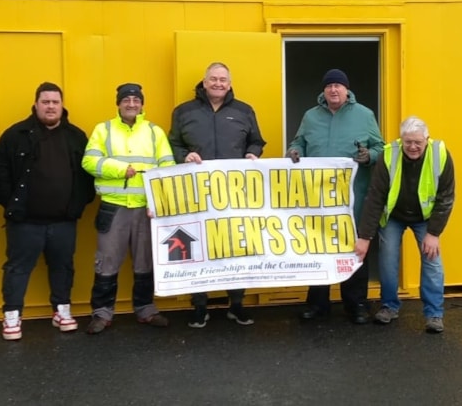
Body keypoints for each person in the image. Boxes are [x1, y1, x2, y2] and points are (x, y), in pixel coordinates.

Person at [0, 82, 96, 341]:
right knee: (17, 269)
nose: (51, 106)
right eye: (45, 102)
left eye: (55, 102)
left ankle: (62, 310)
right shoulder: (15, 135)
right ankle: (12, 315)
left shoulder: (76, 136)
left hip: (63, 221)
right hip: (25, 221)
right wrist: (12, 204)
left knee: (63, 266)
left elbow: (87, 176)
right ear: (36, 104)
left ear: (62, 105)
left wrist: (77, 206)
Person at [169, 62, 266, 328]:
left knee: (235, 247)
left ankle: (237, 304)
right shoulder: (183, 112)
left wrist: (252, 153)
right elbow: (173, 144)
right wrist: (182, 156)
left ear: (230, 83)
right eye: (213, 79)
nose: (218, 84)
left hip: (234, 193)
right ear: (204, 81)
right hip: (195, 192)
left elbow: (257, 141)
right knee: (197, 247)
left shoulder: (244, 111)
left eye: (223, 79)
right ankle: (199, 305)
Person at [286, 68, 384, 324]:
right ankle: (318, 305)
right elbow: (298, 143)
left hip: (353, 198)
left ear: (346, 90)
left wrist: (369, 157)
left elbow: (380, 148)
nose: (333, 90)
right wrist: (294, 151)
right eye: (329, 86)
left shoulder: (364, 115)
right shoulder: (310, 116)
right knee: (317, 249)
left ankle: (356, 305)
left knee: (355, 250)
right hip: (317, 200)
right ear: (323, 91)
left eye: (338, 86)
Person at [82, 83, 176, 333]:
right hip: (113, 206)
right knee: (107, 262)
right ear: (118, 103)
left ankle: (146, 309)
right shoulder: (103, 130)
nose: (131, 104)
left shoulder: (155, 132)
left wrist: (158, 202)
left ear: (142, 104)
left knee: (145, 262)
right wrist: (121, 169)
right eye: (126, 100)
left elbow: (168, 166)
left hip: (146, 208)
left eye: (136, 100)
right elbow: (89, 161)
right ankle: (102, 313)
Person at [355, 115, 455, 333]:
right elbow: (375, 196)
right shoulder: (389, 154)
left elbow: (446, 197)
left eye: (418, 142)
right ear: (401, 140)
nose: (412, 146)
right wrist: (364, 237)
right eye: (408, 141)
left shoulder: (440, 154)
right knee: (388, 258)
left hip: (426, 218)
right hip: (394, 216)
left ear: (427, 139)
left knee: (432, 261)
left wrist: (434, 233)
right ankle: (389, 306)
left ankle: (434, 314)